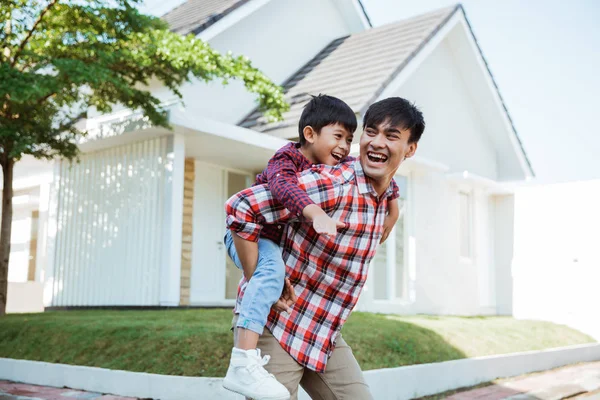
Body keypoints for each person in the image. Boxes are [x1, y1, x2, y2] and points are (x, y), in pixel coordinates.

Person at [225, 97, 425, 400]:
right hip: (278, 324)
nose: (377, 143)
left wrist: (394, 211)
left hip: (322, 330)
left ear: (410, 149)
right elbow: (241, 207)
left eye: (391, 136)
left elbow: (388, 183)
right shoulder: (334, 183)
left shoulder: (383, 196)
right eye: (371, 132)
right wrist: (258, 276)